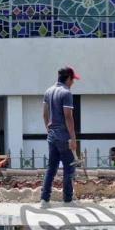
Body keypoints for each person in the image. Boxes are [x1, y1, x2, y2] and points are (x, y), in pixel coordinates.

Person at [40, 66, 80, 206]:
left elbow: (44, 114)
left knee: (51, 167)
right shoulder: (66, 93)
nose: (73, 82)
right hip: (64, 135)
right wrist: (73, 139)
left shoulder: (48, 91)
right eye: (72, 79)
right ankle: (67, 200)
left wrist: (49, 130)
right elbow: (68, 117)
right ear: (68, 78)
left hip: (52, 135)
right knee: (69, 168)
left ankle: (44, 200)